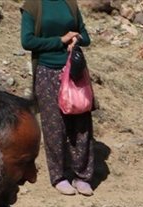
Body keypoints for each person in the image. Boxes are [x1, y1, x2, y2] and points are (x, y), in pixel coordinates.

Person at [21, 0, 95, 196]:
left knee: (81, 122)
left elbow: (85, 36)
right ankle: (59, 176)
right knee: (54, 125)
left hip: (74, 71)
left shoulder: (70, 3)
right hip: (47, 72)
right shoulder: (33, 6)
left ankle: (82, 176)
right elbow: (27, 41)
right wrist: (60, 40)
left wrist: (76, 39)